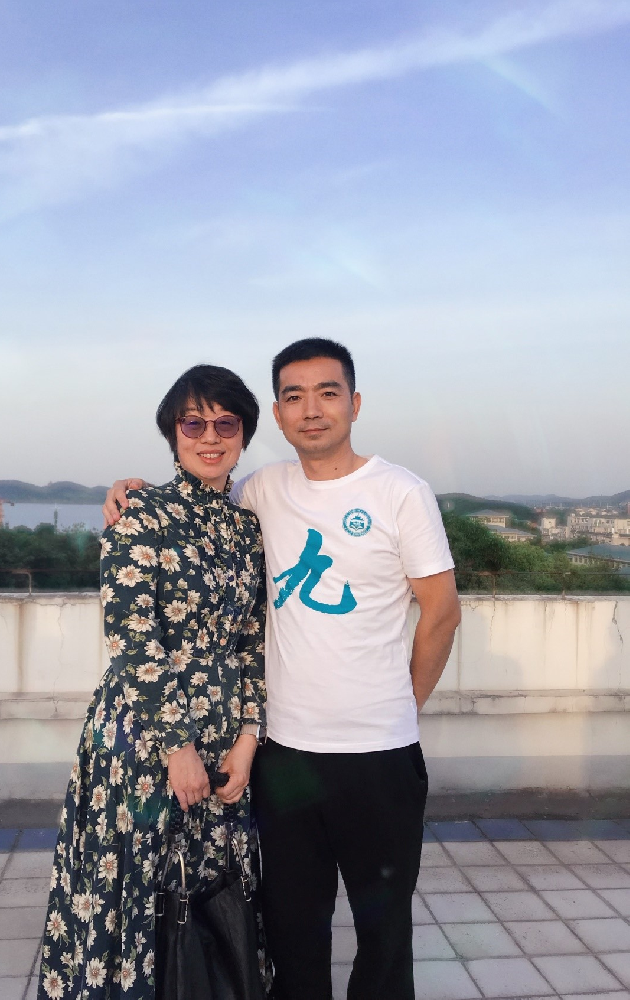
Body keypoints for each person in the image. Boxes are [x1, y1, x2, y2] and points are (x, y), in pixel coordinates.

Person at [104, 338, 461, 1000]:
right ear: (276, 413)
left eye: (327, 393)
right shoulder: (262, 490)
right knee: (293, 930)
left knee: (385, 932)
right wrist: (133, 491)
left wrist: (402, 703)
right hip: (286, 754)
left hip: (379, 754)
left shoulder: (400, 492)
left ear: (354, 403)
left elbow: (441, 613)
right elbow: (198, 500)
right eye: (294, 397)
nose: (311, 410)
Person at [38, 364, 268, 1000]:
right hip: (144, 741)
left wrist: (248, 738)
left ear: (244, 433)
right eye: (193, 423)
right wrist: (178, 747)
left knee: (212, 899)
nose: (210, 436)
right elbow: (132, 638)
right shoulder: (140, 513)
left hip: (225, 740)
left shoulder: (248, 529)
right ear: (173, 433)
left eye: (226, 423)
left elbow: (253, 642)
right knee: (136, 894)